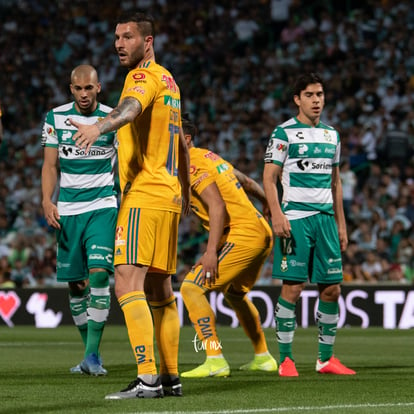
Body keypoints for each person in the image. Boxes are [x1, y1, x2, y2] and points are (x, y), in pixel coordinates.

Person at [70, 12, 190, 399]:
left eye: (127, 36)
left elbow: (128, 111)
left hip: (145, 192)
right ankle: (171, 379)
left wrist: (98, 126)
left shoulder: (140, 77)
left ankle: (147, 378)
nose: (119, 44)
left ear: (148, 41)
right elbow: (181, 147)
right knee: (160, 289)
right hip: (169, 195)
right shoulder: (170, 80)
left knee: (125, 280)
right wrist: (185, 190)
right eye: (116, 37)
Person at [262, 73, 356, 377]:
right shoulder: (284, 133)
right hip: (295, 219)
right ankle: (286, 359)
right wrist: (276, 213)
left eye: (320, 94)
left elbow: (336, 182)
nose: (317, 100)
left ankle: (325, 359)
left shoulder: (332, 135)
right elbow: (269, 176)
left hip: (326, 219)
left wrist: (341, 223)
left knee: (332, 289)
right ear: (297, 99)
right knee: (293, 287)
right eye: (310, 95)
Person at [180, 115, 277, 378]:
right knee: (234, 295)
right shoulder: (210, 157)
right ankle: (263, 356)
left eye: (171, 133)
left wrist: (210, 252)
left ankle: (214, 358)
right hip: (260, 232)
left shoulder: (190, 164)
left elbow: (217, 206)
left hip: (242, 235)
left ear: (186, 139)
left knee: (191, 289)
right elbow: (245, 181)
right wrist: (266, 201)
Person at [41, 64, 117, 376]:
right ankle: (90, 353)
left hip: (103, 206)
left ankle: (92, 356)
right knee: (75, 284)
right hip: (68, 210)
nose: (84, 94)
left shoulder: (114, 118)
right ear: (71, 89)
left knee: (98, 276)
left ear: (98, 87)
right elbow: (49, 165)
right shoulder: (55, 117)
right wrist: (47, 200)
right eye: (78, 89)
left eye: (89, 88)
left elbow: (124, 163)